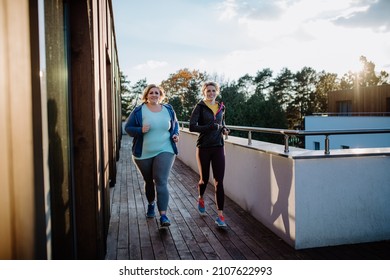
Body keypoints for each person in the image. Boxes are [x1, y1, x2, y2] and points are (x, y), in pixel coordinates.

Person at [125, 84, 179, 227]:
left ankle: (163, 216)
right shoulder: (138, 111)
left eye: (157, 92)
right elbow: (128, 128)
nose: (154, 95)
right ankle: (151, 204)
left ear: (160, 95)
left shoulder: (168, 109)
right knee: (149, 181)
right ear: (146, 95)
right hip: (143, 153)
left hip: (165, 149)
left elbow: (175, 125)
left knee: (161, 181)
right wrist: (140, 129)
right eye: (151, 93)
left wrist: (175, 135)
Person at [189, 81, 230, 227]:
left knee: (219, 181)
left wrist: (224, 130)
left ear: (217, 92)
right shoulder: (199, 107)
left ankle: (220, 216)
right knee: (204, 179)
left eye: (213, 90)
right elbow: (192, 126)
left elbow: (222, 123)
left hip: (218, 146)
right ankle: (200, 197)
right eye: (208, 91)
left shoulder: (221, 107)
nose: (211, 93)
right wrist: (208, 127)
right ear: (204, 92)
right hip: (204, 147)